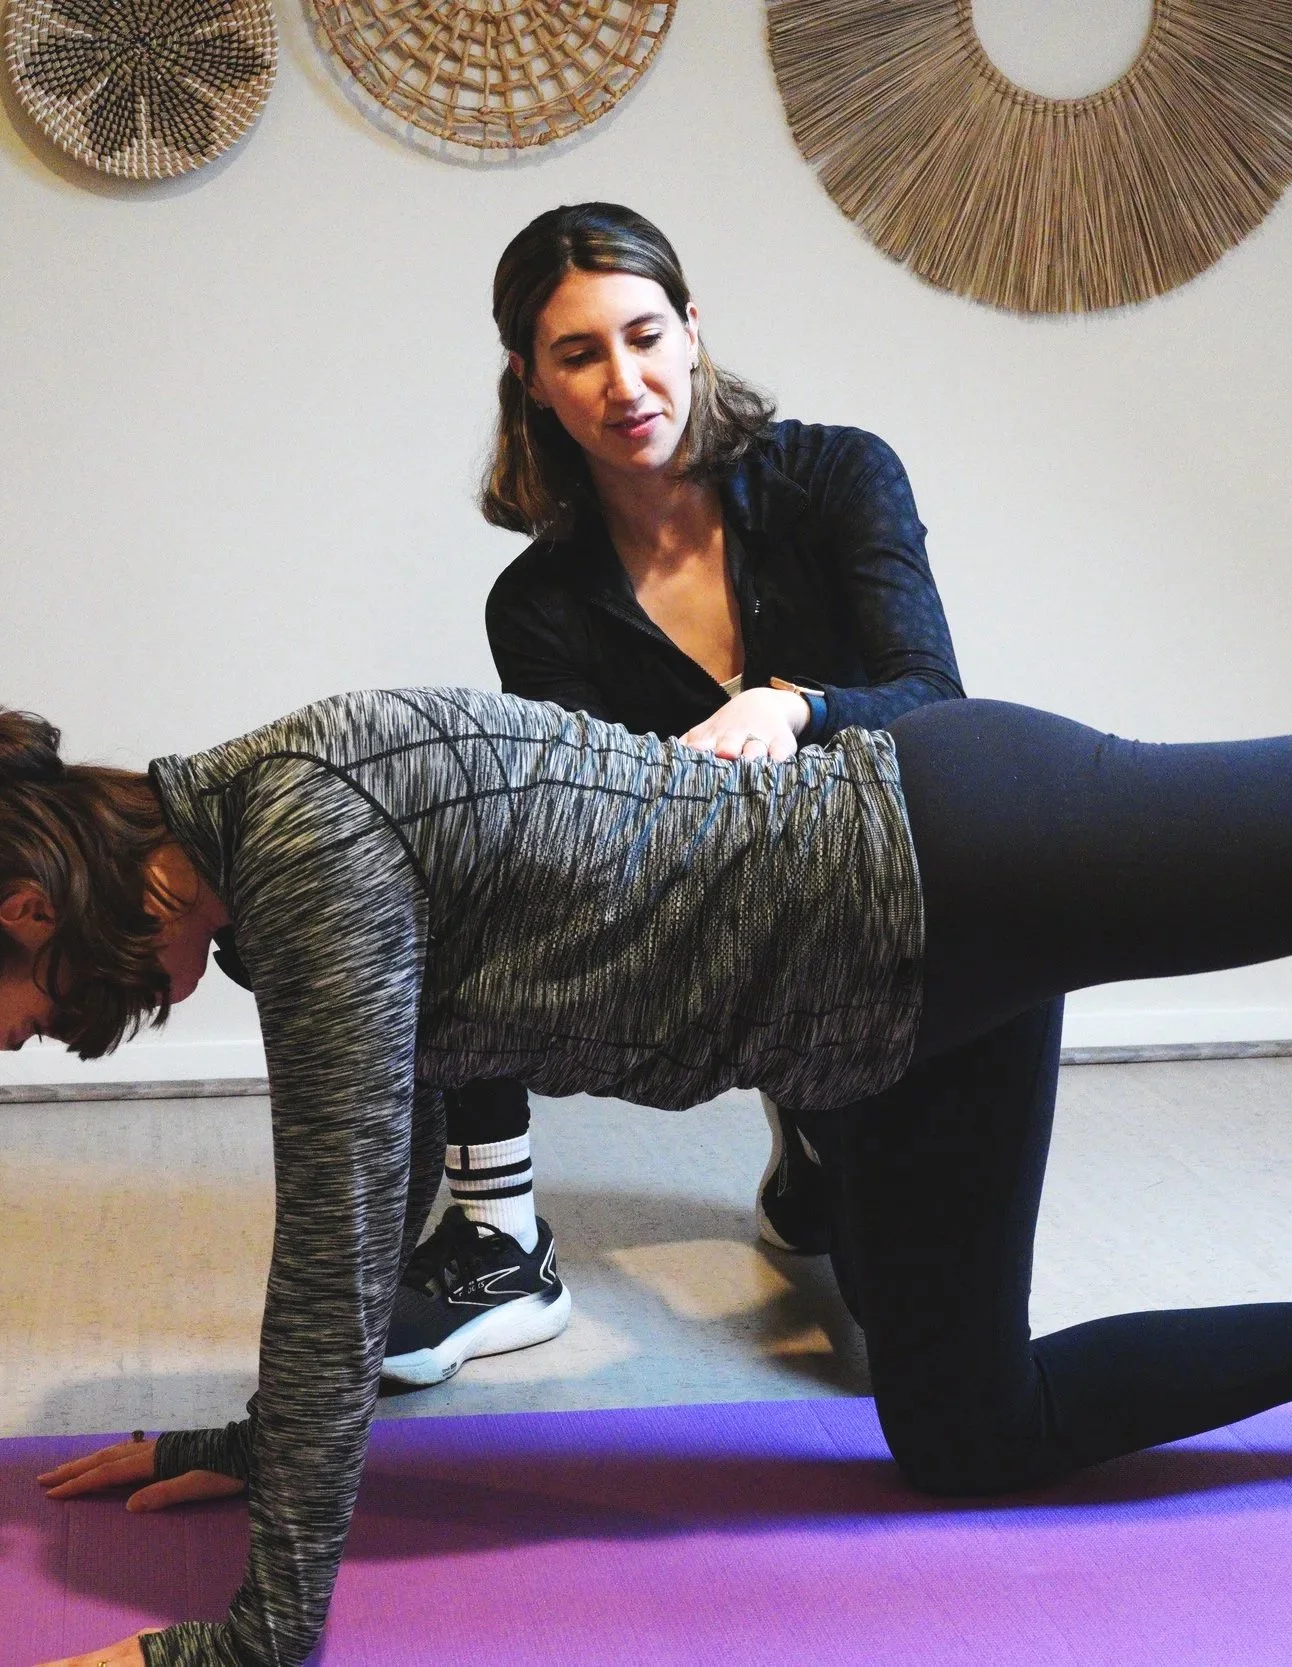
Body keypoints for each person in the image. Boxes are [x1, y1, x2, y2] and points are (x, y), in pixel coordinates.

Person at [0, 492, 1292, 1667]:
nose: (24, 1054)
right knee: (962, 1429)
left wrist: (258, 1638)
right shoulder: (278, 848)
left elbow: (323, 1244)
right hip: (885, 1002)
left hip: (961, 847)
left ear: (24, 917)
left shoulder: (296, 849)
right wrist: (240, 1440)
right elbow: (372, 1208)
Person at [383, 200, 1053, 1389]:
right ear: (529, 380)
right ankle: (498, 1242)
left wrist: (791, 705)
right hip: (706, 920)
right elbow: (586, 814)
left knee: (890, 1337)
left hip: (889, 901)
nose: (624, 381)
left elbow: (932, 698)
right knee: (447, 865)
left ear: (694, 329)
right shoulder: (534, 604)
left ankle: (814, 1141)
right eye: (578, 353)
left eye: (644, 335)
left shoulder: (840, 474)